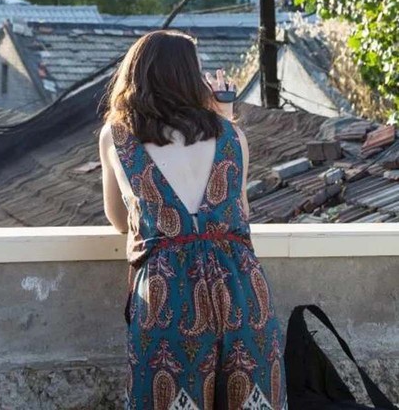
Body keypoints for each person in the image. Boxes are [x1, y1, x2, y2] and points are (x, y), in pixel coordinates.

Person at [99, 29, 287, 410]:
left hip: (167, 293)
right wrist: (225, 117)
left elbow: (120, 222)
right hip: (240, 289)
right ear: (189, 78)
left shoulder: (117, 137)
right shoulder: (233, 136)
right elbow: (240, 216)